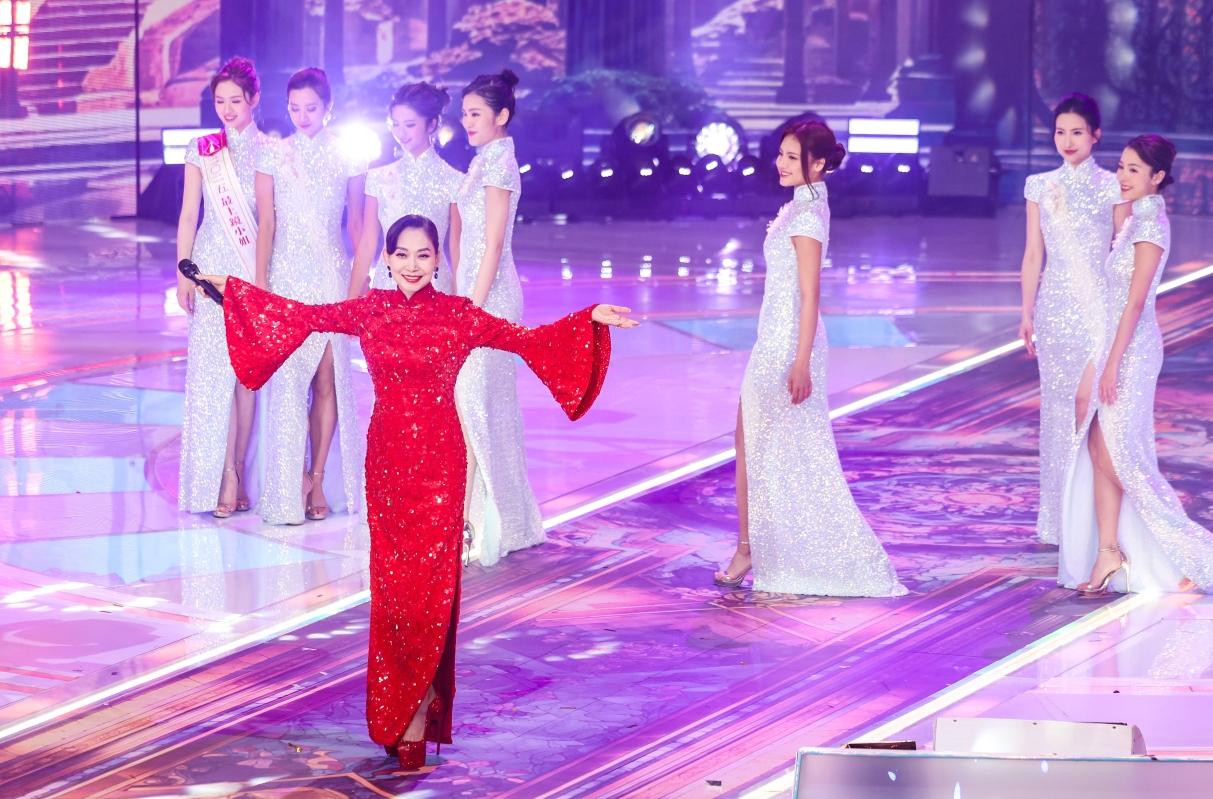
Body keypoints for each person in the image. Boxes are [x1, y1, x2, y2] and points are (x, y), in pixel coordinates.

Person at [198, 214, 637, 766]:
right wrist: (233, 290)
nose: (412, 265)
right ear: (386, 258)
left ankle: (416, 709)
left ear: (437, 260)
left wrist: (585, 318)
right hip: (386, 466)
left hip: (440, 469)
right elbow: (299, 315)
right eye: (402, 254)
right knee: (392, 594)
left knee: (431, 594)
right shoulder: (370, 309)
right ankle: (397, 708)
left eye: (423, 255)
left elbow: (527, 341)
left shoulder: (458, 314)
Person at [713, 121, 905, 597]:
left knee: (762, 442)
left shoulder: (807, 217)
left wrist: (800, 362)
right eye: (781, 154)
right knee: (753, 440)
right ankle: (752, 545)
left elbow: (809, 294)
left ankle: (752, 548)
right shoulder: (802, 206)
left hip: (787, 344)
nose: (780, 163)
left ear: (817, 164)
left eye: (792, 157)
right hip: (775, 337)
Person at [1062, 135, 1213, 595]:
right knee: (1096, 446)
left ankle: (1192, 551)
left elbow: (1135, 304)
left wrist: (1111, 365)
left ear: (1157, 177)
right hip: (1113, 344)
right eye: (1121, 167)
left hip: (1133, 350)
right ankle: (1109, 551)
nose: (1123, 176)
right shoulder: (1132, 221)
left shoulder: (1152, 228)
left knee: (1122, 458)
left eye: (1134, 170)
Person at [254, 67, 366, 525]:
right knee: (288, 384)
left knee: (326, 381)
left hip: (332, 278)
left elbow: (357, 224)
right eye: (294, 108)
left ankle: (316, 479)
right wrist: (260, 283)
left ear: (329, 107)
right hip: (285, 278)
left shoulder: (349, 155)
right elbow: (266, 224)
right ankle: (286, 483)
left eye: (312, 108)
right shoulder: (272, 154)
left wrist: (362, 284)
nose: (302, 116)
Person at [1020, 94, 1124, 545]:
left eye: (1077, 132)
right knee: (1058, 412)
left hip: (1098, 310)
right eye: (1060, 132)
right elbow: (1032, 254)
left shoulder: (1114, 186)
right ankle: (1060, 521)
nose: (1067, 140)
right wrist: (1026, 311)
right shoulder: (1039, 185)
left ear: (1095, 135)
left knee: (1092, 408)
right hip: (1053, 310)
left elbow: (1122, 256)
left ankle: (1098, 521)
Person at [448, 69, 539, 566]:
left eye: (476, 113)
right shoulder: (484, 159)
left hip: (491, 299)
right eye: (464, 113)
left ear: (501, 115)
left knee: (477, 407)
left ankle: (478, 527)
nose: (467, 122)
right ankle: (497, 522)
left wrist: (471, 308)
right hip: (478, 293)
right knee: (481, 408)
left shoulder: (500, 163)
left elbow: (495, 243)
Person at [176, 56, 270, 517]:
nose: (228, 110)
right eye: (220, 102)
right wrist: (183, 271)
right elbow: (188, 213)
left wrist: (267, 277)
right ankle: (220, 476)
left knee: (246, 379)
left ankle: (238, 471)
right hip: (210, 268)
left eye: (236, 100)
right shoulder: (203, 149)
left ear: (255, 99)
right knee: (214, 376)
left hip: (251, 271)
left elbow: (272, 221)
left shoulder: (272, 151)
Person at [348, 82, 464, 298]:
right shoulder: (379, 178)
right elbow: (367, 243)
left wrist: (460, 304)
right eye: (395, 124)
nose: (401, 132)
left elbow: (456, 249)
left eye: (409, 125)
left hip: (436, 291)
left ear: (431, 124)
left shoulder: (454, 181)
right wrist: (351, 302)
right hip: (387, 289)